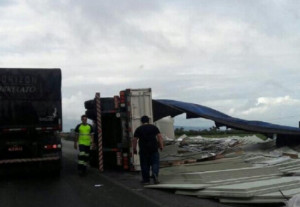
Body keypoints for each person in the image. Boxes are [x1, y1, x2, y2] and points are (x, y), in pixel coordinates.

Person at [133, 115, 164, 185]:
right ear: (148, 121)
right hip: (154, 149)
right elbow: (159, 136)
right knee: (155, 163)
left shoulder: (139, 129)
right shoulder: (154, 127)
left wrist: (134, 149)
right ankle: (155, 174)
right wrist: (161, 146)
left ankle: (146, 180)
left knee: (144, 165)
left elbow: (135, 140)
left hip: (143, 150)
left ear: (141, 121)